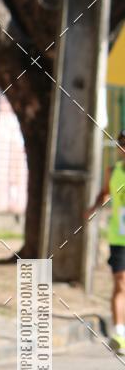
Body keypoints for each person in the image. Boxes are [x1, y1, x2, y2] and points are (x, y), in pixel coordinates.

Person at [85, 129, 125, 354]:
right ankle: (119, 333)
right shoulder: (114, 171)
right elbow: (105, 193)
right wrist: (93, 208)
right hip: (119, 237)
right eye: (122, 144)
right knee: (120, 282)